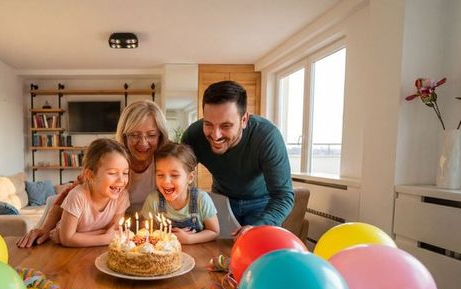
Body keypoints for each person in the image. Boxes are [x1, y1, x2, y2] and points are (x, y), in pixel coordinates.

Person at [16, 100, 170, 248]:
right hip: (108, 230)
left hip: (133, 231)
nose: (143, 143)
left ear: (160, 135)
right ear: (124, 135)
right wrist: (45, 228)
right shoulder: (111, 158)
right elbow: (67, 196)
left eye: (151, 135)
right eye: (135, 135)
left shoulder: (167, 164)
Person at [181, 80, 294, 238]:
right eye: (208, 124)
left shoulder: (267, 136)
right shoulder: (193, 136)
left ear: (244, 120)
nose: (215, 135)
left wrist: (259, 226)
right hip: (221, 201)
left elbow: (283, 196)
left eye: (225, 126)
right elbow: (179, 175)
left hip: (263, 204)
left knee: (255, 252)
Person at [45, 138, 130, 247]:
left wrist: (78, 236)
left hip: (95, 251)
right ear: (90, 175)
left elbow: (115, 230)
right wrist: (105, 237)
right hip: (66, 254)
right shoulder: (77, 196)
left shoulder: (122, 196)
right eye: (112, 173)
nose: (121, 180)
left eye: (125, 173)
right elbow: (67, 239)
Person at [141, 143, 219, 244]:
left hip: (197, 254)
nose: (166, 181)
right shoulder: (153, 200)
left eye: (174, 175)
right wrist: (167, 237)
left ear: (190, 177)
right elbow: (144, 230)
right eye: (160, 174)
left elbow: (214, 231)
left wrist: (189, 239)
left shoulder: (201, 199)